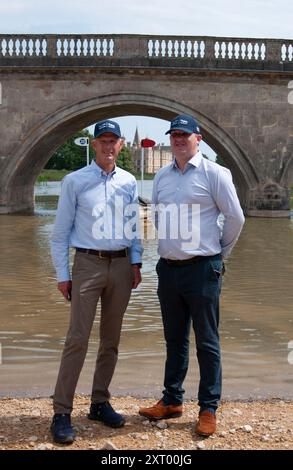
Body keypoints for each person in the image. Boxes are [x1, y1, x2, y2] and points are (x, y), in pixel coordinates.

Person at [139, 114, 244, 436]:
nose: (179, 139)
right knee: (175, 340)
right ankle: (172, 400)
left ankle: (208, 408)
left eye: (185, 134)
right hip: (168, 269)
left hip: (202, 269)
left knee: (207, 342)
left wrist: (216, 254)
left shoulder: (216, 174)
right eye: (174, 135)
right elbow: (157, 214)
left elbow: (235, 218)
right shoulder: (162, 177)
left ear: (198, 138)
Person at [50, 119, 143, 444]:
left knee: (111, 340)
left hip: (120, 266)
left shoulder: (130, 181)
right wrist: (63, 275)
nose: (108, 146)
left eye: (113, 141)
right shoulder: (75, 181)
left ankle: (99, 402)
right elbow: (59, 234)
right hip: (87, 264)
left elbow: (134, 228)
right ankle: (61, 411)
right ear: (94, 144)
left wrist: (136, 262)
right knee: (77, 339)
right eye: (102, 140)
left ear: (120, 146)